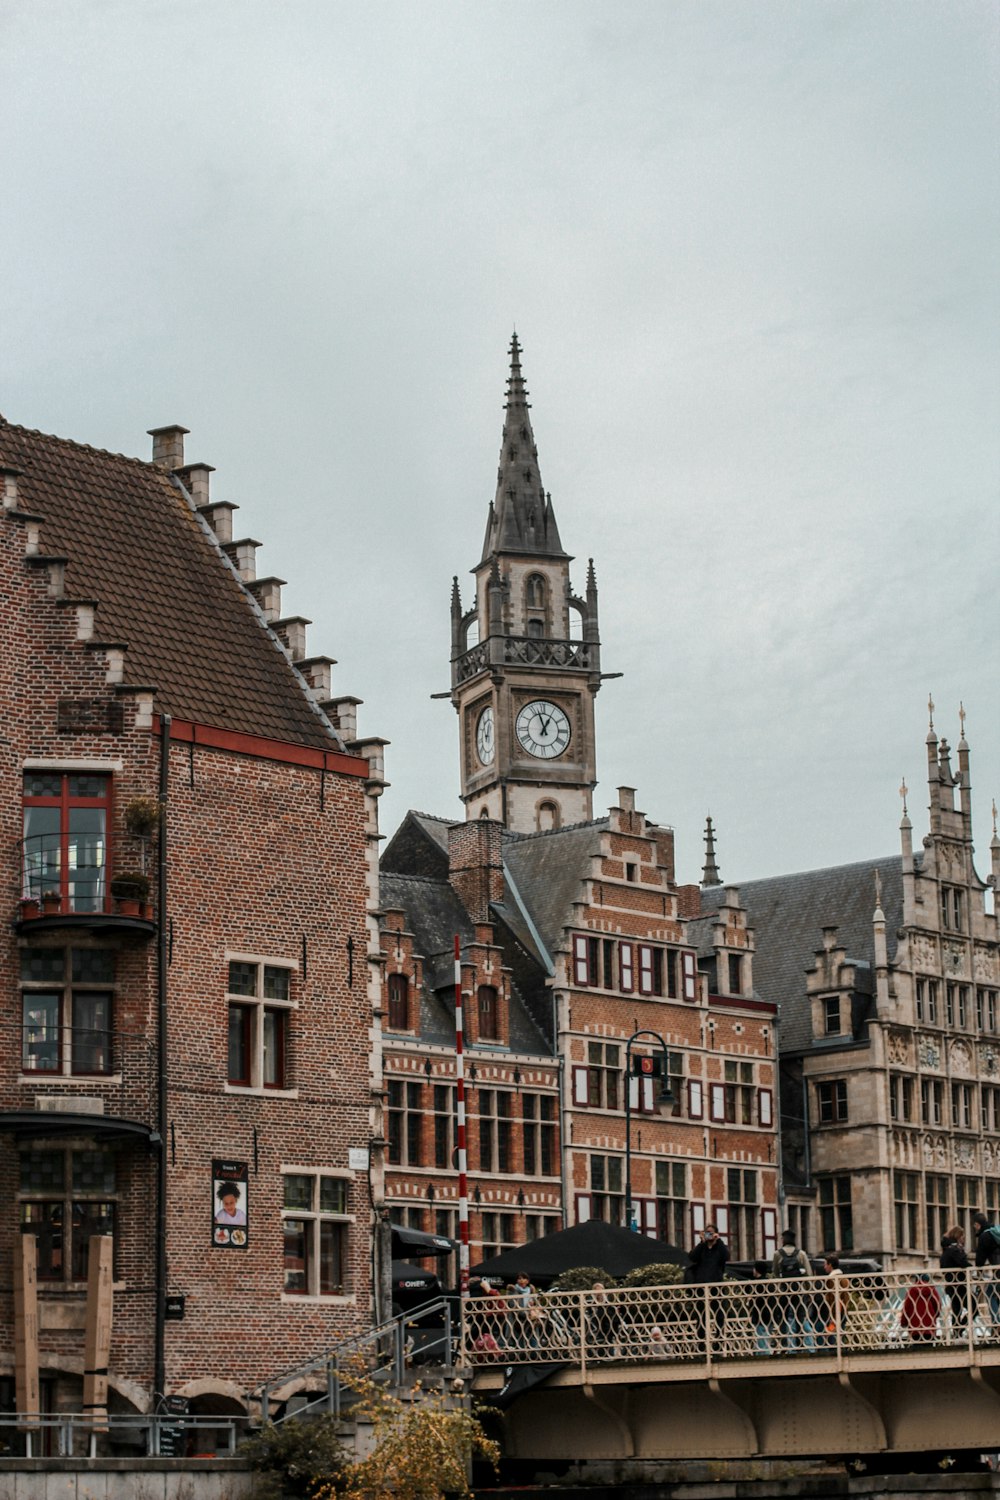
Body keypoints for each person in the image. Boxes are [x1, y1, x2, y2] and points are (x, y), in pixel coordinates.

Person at [770, 1230, 814, 1352]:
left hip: (785, 1290)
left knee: (783, 1317)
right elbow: (809, 1274)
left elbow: (775, 1273)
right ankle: (800, 1344)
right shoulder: (801, 1254)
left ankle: (786, 1344)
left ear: (783, 1240)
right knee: (799, 1316)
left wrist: (779, 1287)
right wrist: (808, 1291)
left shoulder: (777, 1254)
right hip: (798, 1290)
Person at [689, 1223, 729, 1348]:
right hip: (701, 1286)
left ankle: (719, 1341)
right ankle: (701, 1343)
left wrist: (719, 1241)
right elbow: (692, 1257)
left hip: (716, 1285)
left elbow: (726, 1256)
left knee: (719, 1314)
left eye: (711, 1233)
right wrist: (701, 1242)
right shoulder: (702, 1248)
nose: (709, 1235)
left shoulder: (719, 1248)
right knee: (701, 1316)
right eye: (707, 1232)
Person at [973, 1212, 1000, 1330]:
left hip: (998, 1269)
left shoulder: (985, 1236)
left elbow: (980, 1260)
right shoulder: (996, 1231)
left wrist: (978, 1270)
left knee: (990, 1293)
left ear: (978, 1224)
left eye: (974, 1225)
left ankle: (996, 1323)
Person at [940, 1225, 970, 1332]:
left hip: (952, 1284)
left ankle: (958, 1332)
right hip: (958, 1283)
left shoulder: (947, 1249)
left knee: (957, 1310)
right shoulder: (954, 1249)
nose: (964, 1239)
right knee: (972, 1308)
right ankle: (959, 1330)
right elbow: (963, 1262)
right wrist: (972, 1269)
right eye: (962, 1237)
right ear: (958, 1236)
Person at [901, 1273, 941, 1342]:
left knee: (917, 1349)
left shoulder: (911, 1291)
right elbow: (937, 1304)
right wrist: (935, 1315)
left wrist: (903, 1322)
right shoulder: (931, 1289)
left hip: (914, 1327)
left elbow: (906, 1308)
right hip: (929, 1326)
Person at [818, 1255, 844, 1350]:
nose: (824, 1267)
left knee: (832, 1341)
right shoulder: (843, 1277)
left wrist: (832, 1317)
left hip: (835, 1313)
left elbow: (832, 1299)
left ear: (830, 1265)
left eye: (825, 1264)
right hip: (842, 1312)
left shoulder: (832, 1279)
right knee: (839, 1339)